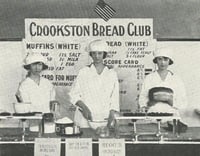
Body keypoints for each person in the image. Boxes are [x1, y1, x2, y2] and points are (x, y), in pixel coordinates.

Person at [69, 39, 120, 127]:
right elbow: (74, 94)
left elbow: (114, 97)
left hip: (104, 117)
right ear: (91, 55)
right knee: (85, 139)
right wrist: (84, 108)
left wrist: (112, 113)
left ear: (104, 54)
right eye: (94, 53)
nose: (97, 56)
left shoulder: (111, 73)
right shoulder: (84, 72)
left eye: (99, 53)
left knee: (103, 139)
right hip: (85, 117)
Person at [139, 48, 187, 115]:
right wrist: (144, 106)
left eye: (165, 59)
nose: (162, 62)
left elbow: (182, 99)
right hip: (153, 116)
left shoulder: (176, 79)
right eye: (160, 59)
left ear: (169, 61)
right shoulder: (149, 78)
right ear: (156, 61)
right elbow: (143, 97)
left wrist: (171, 102)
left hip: (172, 115)